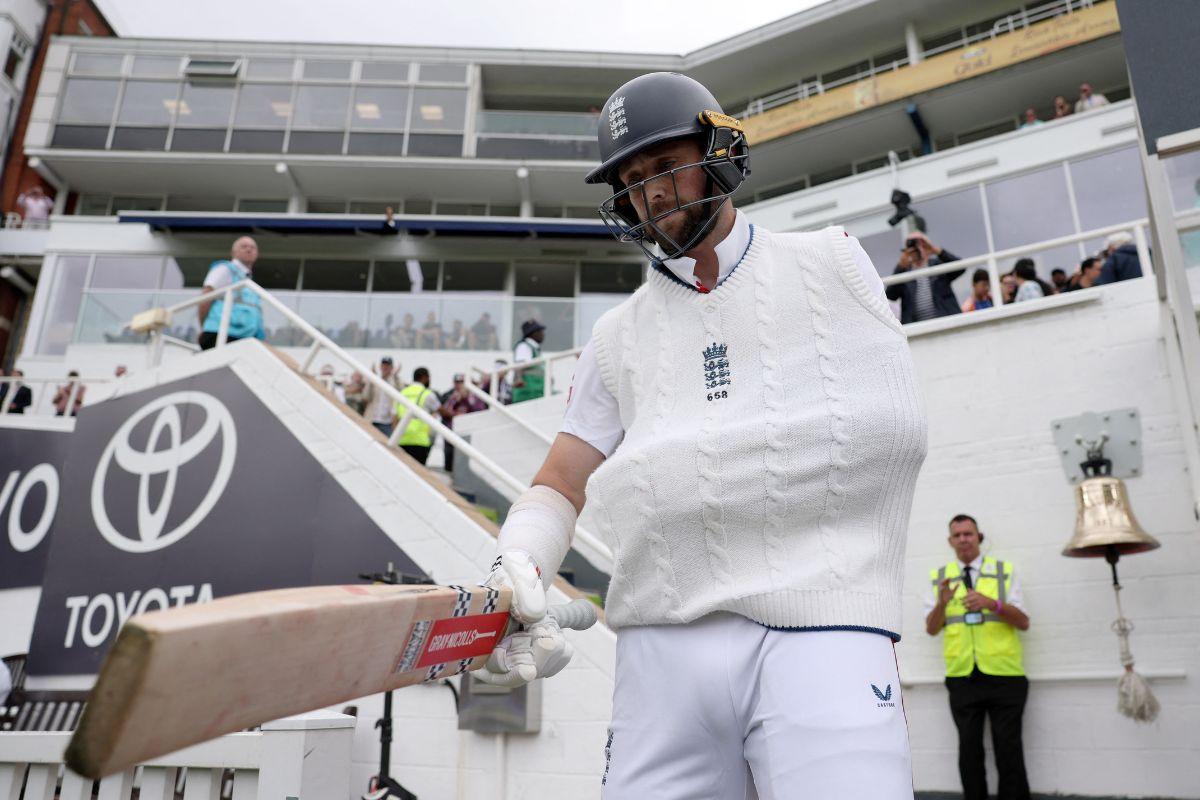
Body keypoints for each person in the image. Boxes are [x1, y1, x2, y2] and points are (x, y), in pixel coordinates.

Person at [476, 72, 928, 799]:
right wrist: (519, 565)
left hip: (823, 628)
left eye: (664, 166)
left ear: (719, 150)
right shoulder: (614, 336)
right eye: (631, 180)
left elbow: (891, 433)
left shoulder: (829, 260)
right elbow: (561, 479)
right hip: (661, 652)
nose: (651, 193)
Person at [926, 514, 1031, 800]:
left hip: (1005, 676)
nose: (963, 539)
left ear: (979, 537)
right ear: (950, 541)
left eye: (968, 534)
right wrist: (941, 604)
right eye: (957, 535)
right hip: (962, 678)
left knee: (1009, 751)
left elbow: (1023, 622)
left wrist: (991, 603)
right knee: (969, 752)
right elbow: (931, 629)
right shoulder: (940, 578)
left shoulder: (1004, 571)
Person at [197, 236, 265, 351]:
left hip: (244, 338)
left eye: (253, 247)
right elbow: (206, 296)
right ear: (234, 252)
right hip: (220, 335)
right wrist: (204, 326)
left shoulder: (250, 284)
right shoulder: (224, 269)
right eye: (244, 246)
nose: (249, 249)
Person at [886, 230, 964, 323]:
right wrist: (900, 267)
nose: (915, 249)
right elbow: (890, 295)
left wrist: (936, 250)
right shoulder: (904, 272)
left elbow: (960, 267)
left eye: (920, 244)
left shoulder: (938, 265)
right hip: (918, 329)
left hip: (946, 322)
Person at [438, 373, 486, 472]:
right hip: (451, 432)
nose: (459, 385)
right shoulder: (450, 395)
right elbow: (444, 411)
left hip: (467, 434)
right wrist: (456, 400)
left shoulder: (476, 397)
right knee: (449, 461)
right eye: (457, 382)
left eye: (461, 382)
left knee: (463, 464)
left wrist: (466, 399)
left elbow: (479, 412)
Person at [396, 367, 442, 465]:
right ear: (424, 378)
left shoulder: (402, 393)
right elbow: (441, 410)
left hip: (401, 438)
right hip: (420, 440)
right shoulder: (426, 393)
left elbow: (394, 417)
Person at [361, 356, 403, 437]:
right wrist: (371, 377)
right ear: (380, 366)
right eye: (383, 365)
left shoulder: (394, 381)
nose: (385, 367)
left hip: (387, 422)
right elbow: (366, 396)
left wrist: (395, 376)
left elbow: (401, 393)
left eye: (388, 366)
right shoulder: (375, 380)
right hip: (372, 419)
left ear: (392, 367)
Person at [510, 319, 546, 404]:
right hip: (528, 392)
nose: (543, 334)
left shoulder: (535, 349)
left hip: (536, 390)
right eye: (540, 331)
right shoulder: (524, 346)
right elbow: (519, 364)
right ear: (533, 333)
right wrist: (518, 379)